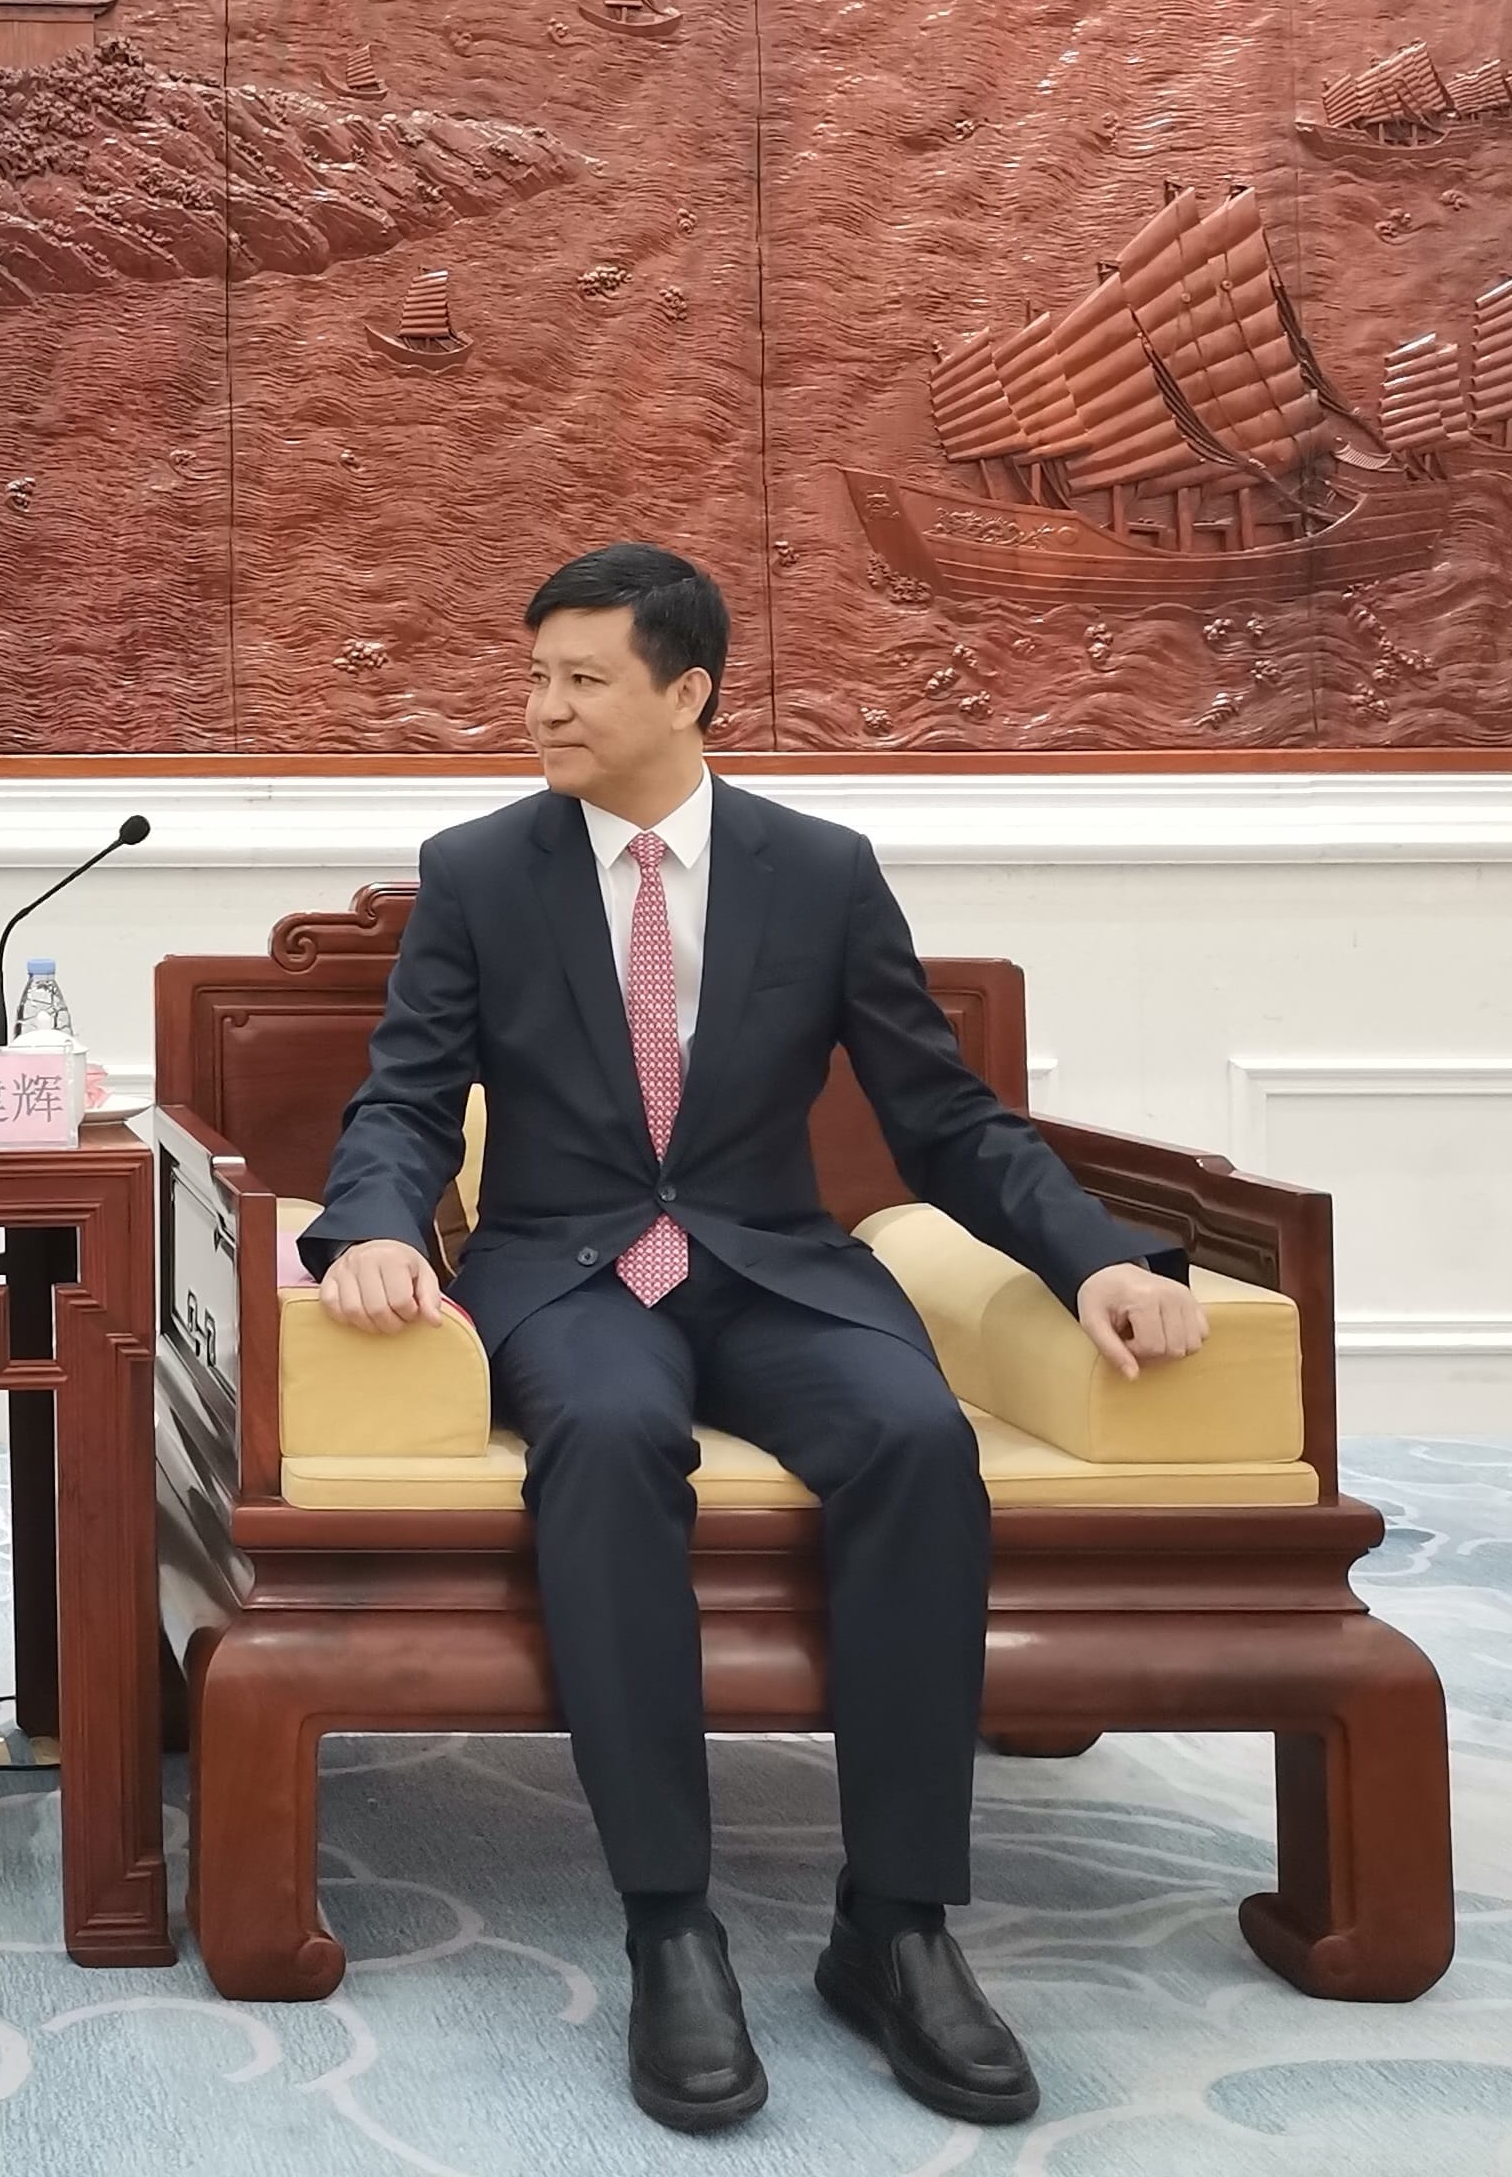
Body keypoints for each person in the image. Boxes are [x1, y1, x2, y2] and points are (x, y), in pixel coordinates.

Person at [305, 543, 1205, 2136]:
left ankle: (898, 1925)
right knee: (602, 1436)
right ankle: (671, 1924)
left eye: (581, 679)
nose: (541, 708)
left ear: (686, 690)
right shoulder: (480, 871)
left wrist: (1095, 1260)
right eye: (533, 676)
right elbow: (404, 1098)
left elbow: (941, 1116)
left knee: (916, 1442)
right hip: (568, 1272)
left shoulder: (822, 869)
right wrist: (376, 1225)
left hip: (774, 1269)